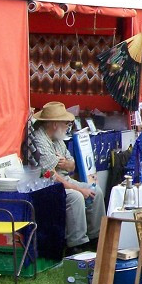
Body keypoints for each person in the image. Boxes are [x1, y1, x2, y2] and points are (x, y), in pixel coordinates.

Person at [30, 101, 104, 254]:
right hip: (46, 185)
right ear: (55, 124)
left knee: (96, 192)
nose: (68, 126)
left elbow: (72, 165)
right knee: (76, 196)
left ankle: (96, 237)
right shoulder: (40, 140)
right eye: (66, 123)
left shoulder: (57, 138)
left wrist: (64, 164)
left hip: (62, 179)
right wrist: (78, 188)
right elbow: (50, 175)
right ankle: (77, 244)